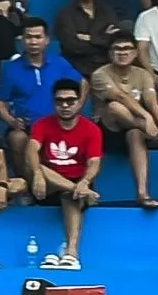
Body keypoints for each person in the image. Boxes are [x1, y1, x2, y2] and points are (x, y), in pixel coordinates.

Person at [24, 77, 102, 269]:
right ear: (53, 102)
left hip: (77, 180)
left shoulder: (91, 129)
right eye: (59, 101)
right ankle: (79, 191)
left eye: (70, 101)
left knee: (70, 195)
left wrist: (85, 182)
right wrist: (37, 174)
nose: (65, 105)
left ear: (79, 102)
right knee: (38, 166)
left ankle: (72, 253)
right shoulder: (42, 124)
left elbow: (94, 162)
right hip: (47, 182)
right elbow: (32, 150)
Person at [93, 34, 158, 206]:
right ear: (110, 53)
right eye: (117, 49)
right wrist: (147, 118)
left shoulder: (143, 74)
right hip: (108, 131)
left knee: (135, 134)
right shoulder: (100, 74)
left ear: (135, 53)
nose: (122, 52)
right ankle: (155, 134)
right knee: (115, 106)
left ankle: (143, 194)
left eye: (127, 48)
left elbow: (152, 103)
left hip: (134, 130)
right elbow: (119, 96)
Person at [0, 17, 82, 167]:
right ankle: (26, 179)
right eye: (29, 37)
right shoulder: (10, 69)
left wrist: (77, 106)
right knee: (17, 138)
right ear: (22, 40)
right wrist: (11, 121)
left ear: (47, 40)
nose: (33, 42)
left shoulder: (60, 63)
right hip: (27, 127)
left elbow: (83, 83)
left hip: (58, 123)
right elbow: (0, 103)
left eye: (38, 37)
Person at [56, 0, 125, 78]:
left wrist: (90, 38)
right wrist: (102, 39)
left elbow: (114, 41)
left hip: (106, 68)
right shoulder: (65, 14)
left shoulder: (108, 12)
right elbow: (71, 47)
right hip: (76, 70)